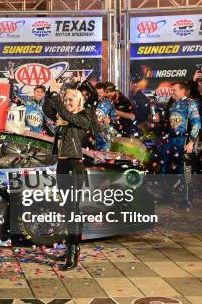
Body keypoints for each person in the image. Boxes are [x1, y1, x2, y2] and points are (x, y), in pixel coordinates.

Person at [43, 79, 93, 271]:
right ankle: (71, 248)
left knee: (73, 211)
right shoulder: (63, 120)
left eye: (72, 99)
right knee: (68, 209)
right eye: (66, 99)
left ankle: (73, 253)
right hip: (63, 165)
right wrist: (51, 93)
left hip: (74, 166)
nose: (68, 102)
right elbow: (48, 110)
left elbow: (63, 111)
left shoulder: (82, 118)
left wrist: (56, 97)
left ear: (79, 102)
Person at [159, 81, 201, 209]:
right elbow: (168, 122)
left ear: (182, 91)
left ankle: (186, 200)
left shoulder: (191, 103)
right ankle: (166, 195)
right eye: (171, 90)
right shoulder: (172, 103)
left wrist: (191, 142)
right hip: (170, 140)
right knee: (165, 168)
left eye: (174, 90)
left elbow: (197, 124)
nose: (172, 92)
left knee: (184, 171)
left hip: (183, 141)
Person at [7, 62, 51, 134]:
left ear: (44, 94)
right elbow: (12, 95)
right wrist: (11, 80)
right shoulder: (26, 100)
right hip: (25, 133)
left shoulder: (46, 104)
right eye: (38, 91)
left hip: (40, 136)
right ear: (34, 92)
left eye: (42, 92)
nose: (39, 93)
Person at [94, 82, 119, 151]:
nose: (97, 96)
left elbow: (116, 119)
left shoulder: (109, 104)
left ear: (105, 93)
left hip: (104, 137)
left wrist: (110, 120)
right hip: (91, 136)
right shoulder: (89, 102)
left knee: (104, 159)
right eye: (96, 94)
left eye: (100, 94)